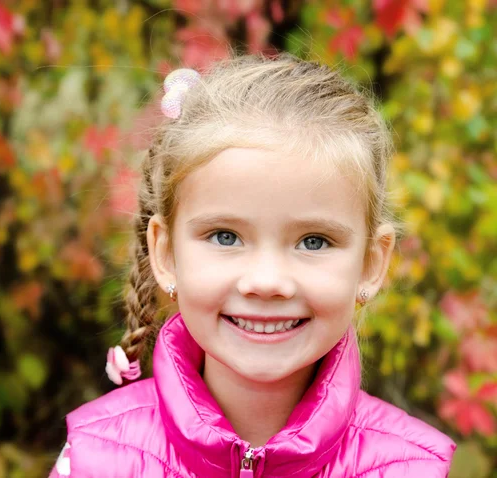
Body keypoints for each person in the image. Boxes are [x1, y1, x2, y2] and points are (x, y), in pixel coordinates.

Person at [49, 53, 456, 477]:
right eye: (225, 237)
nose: (266, 282)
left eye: (313, 241)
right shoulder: (95, 458)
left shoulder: (412, 468)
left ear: (372, 263)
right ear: (166, 255)